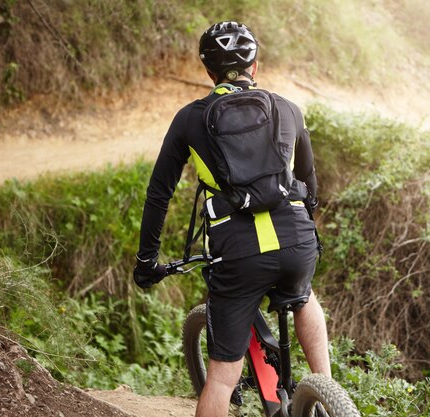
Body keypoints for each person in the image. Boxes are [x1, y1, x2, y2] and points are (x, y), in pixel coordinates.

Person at [132, 21, 330, 417]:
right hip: (297, 243)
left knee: (222, 376)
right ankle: (327, 389)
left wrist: (146, 262)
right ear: (255, 66)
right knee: (304, 295)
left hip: (238, 255)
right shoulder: (289, 108)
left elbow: (159, 194)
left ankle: (316, 392)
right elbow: (309, 182)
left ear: (209, 72)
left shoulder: (190, 119)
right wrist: (305, 225)